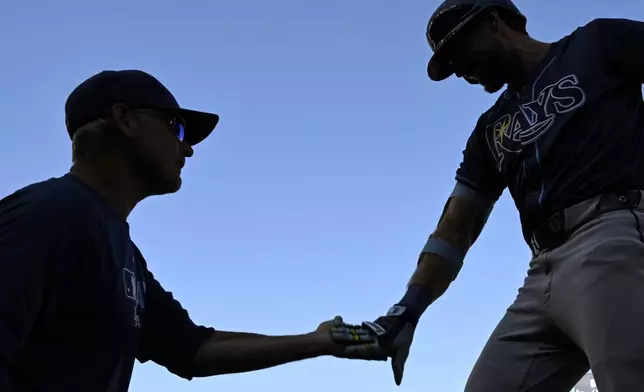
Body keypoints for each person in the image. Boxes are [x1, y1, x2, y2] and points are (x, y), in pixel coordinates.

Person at [330, 1, 644, 391]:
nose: (459, 70)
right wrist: (407, 310)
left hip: (610, 233)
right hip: (540, 273)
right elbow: (456, 225)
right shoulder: (490, 128)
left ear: (493, 22)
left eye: (458, 49)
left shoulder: (596, 43)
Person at [0, 69, 372, 391]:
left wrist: (319, 341)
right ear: (125, 120)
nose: (188, 149)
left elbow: (193, 349)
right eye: (176, 127)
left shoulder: (126, 257)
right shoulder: (45, 216)